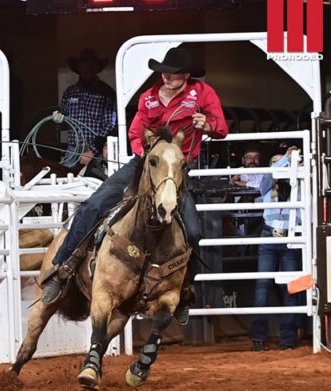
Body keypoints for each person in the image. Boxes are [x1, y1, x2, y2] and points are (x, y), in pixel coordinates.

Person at [41, 47, 229, 326]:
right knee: (93, 205)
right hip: (144, 164)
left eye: (173, 73)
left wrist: (208, 124)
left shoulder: (202, 94)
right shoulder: (149, 98)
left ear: (186, 76)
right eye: (164, 71)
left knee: (192, 230)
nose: (166, 76)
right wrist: (145, 154)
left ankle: (184, 289)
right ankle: (62, 268)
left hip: (175, 168)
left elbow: (221, 128)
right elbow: (135, 132)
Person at [251, 146, 303, 351]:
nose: (279, 164)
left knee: (291, 288)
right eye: (274, 161)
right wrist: (285, 161)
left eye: (284, 161)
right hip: (269, 235)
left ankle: (288, 338)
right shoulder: (267, 182)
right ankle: (258, 337)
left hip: (291, 237)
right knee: (262, 286)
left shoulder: (299, 183)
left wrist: (292, 165)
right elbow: (269, 177)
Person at [52, 49, 117, 157]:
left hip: (97, 152)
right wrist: (58, 121)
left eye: (92, 64)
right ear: (79, 68)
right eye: (84, 64)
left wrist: (92, 150)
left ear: (97, 68)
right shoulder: (70, 92)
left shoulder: (107, 93)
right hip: (72, 149)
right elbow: (65, 124)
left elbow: (110, 126)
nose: (88, 68)